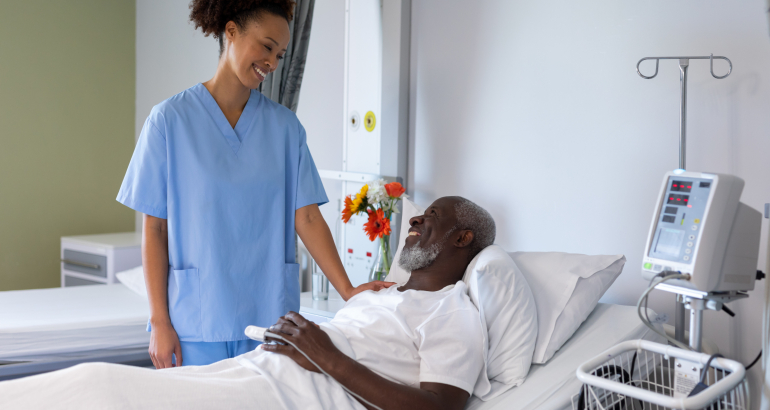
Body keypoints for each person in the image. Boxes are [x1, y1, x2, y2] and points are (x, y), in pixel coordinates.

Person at [0, 196, 495, 410]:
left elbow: (437, 408)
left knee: (103, 393)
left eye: (431, 216)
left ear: (463, 237)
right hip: (257, 373)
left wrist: (324, 354)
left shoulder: (453, 312)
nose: (414, 221)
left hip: (285, 399)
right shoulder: (383, 297)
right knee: (98, 381)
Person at [117, 0, 391, 369]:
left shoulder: (285, 129)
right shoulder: (169, 121)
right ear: (230, 32)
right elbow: (155, 229)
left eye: (280, 54)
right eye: (266, 46)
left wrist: (348, 290)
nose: (273, 63)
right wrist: (160, 322)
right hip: (197, 323)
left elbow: (307, 218)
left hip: (271, 321)